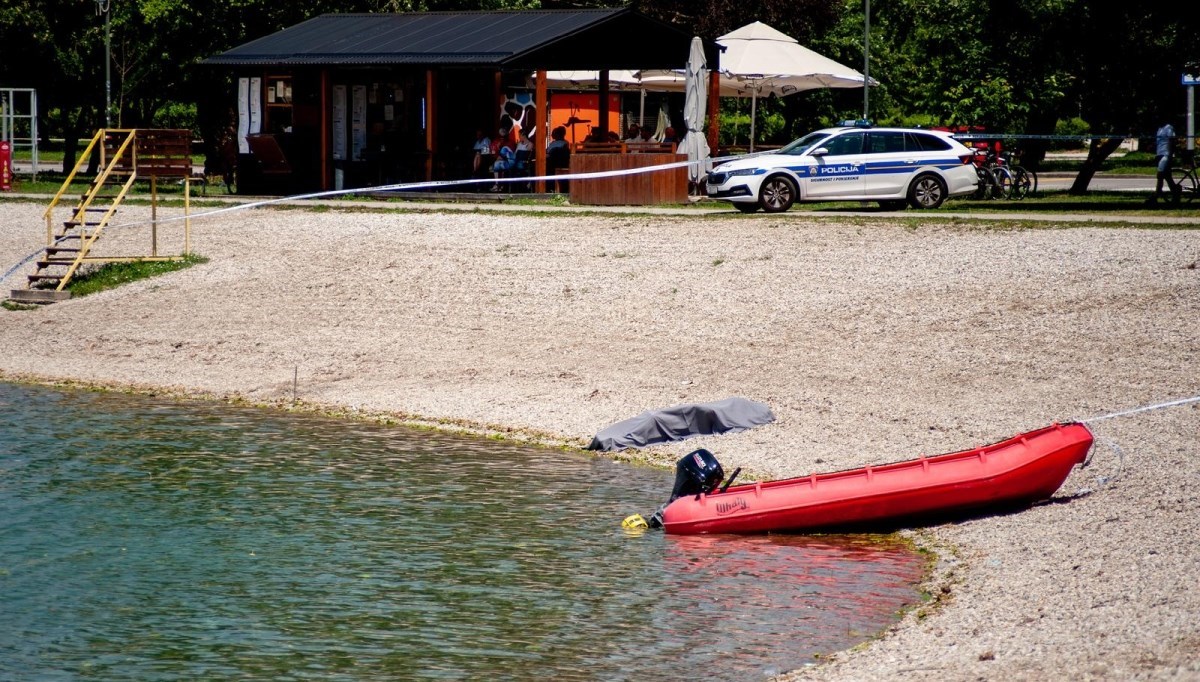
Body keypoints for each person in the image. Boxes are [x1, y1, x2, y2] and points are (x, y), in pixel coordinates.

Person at [1150, 120, 1181, 205]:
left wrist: (1171, 154)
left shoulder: (1168, 128)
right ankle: (1176, 194)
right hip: (1160, 153)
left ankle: (1156, 195)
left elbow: (1172, 141)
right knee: (1167, 176)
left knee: (1160, 175)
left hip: (1166, 154)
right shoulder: (1159, 129)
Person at [546, 125, 571, 193]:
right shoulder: (566, 143)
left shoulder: (554, 144)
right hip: (563, 164)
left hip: (552, 165)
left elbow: (547, 153)